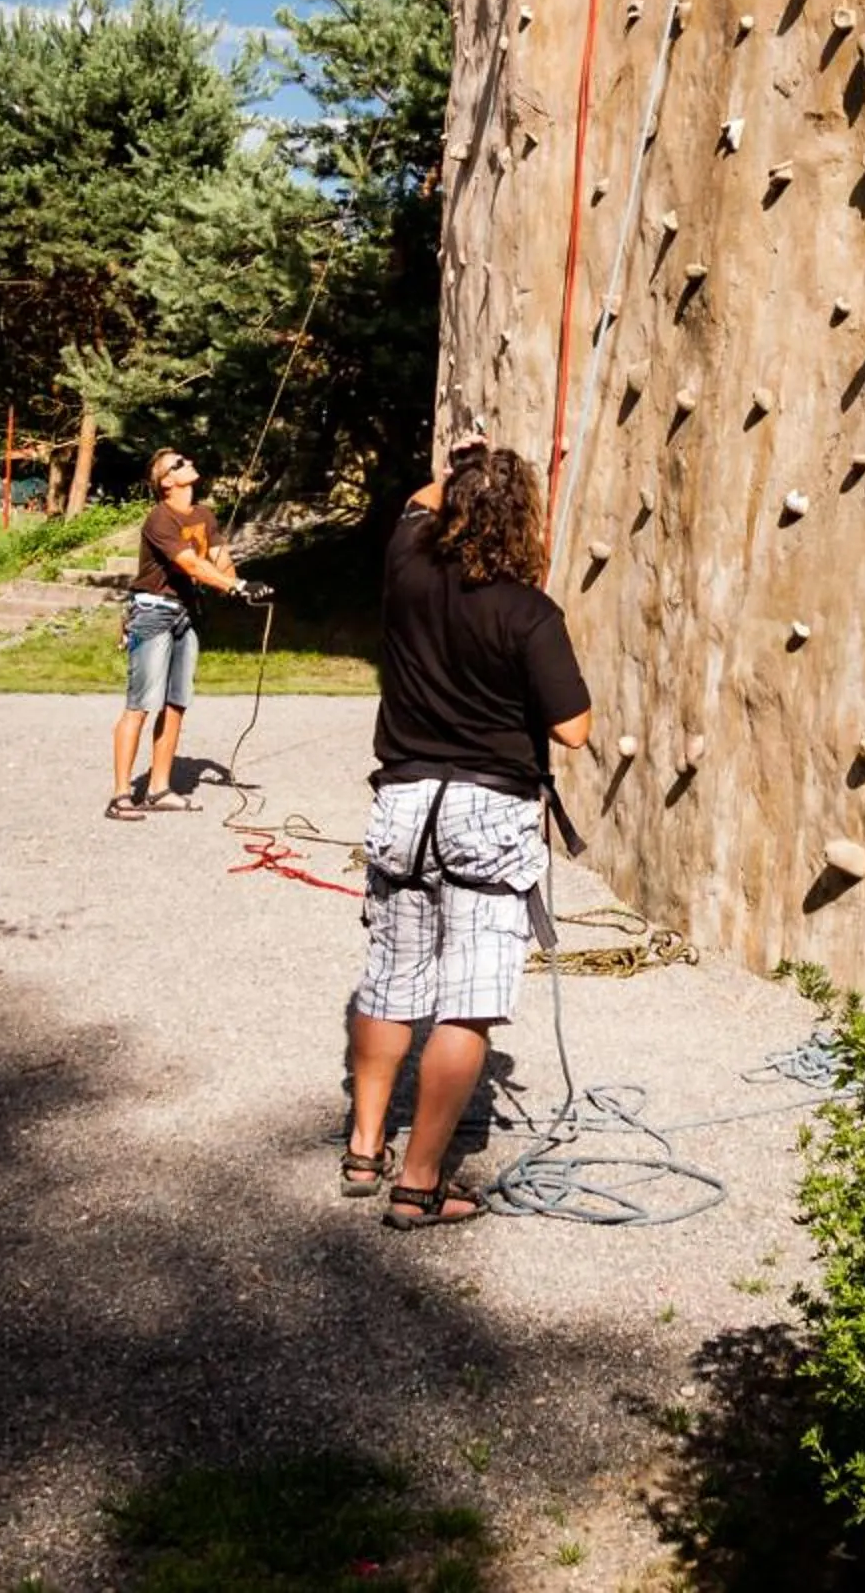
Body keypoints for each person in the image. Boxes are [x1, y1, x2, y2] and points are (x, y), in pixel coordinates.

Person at [344, 444, 592, 1230]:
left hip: (405, 804)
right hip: (487, 809)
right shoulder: (528, 611)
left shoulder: (407, 571)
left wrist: (461, 462)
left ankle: (364, 1146)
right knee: (470, 1001)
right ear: (523, 519)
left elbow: (416, 506)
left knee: (388, 979)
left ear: (451, 506)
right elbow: (574, 729)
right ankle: (418, 1185)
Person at [107, 447, 242, 820]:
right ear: (166, 482)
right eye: (178, 464)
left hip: (187, 614)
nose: (188, 463)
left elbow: (218, 558)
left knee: (176, 703)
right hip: (152, 613)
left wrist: (241, 584)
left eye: (185, 460)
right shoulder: (159, 518)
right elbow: (191, 564)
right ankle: (120, 796)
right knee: (139, 705)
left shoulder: (204, 515)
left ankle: (159, 789)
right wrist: (234, 587)